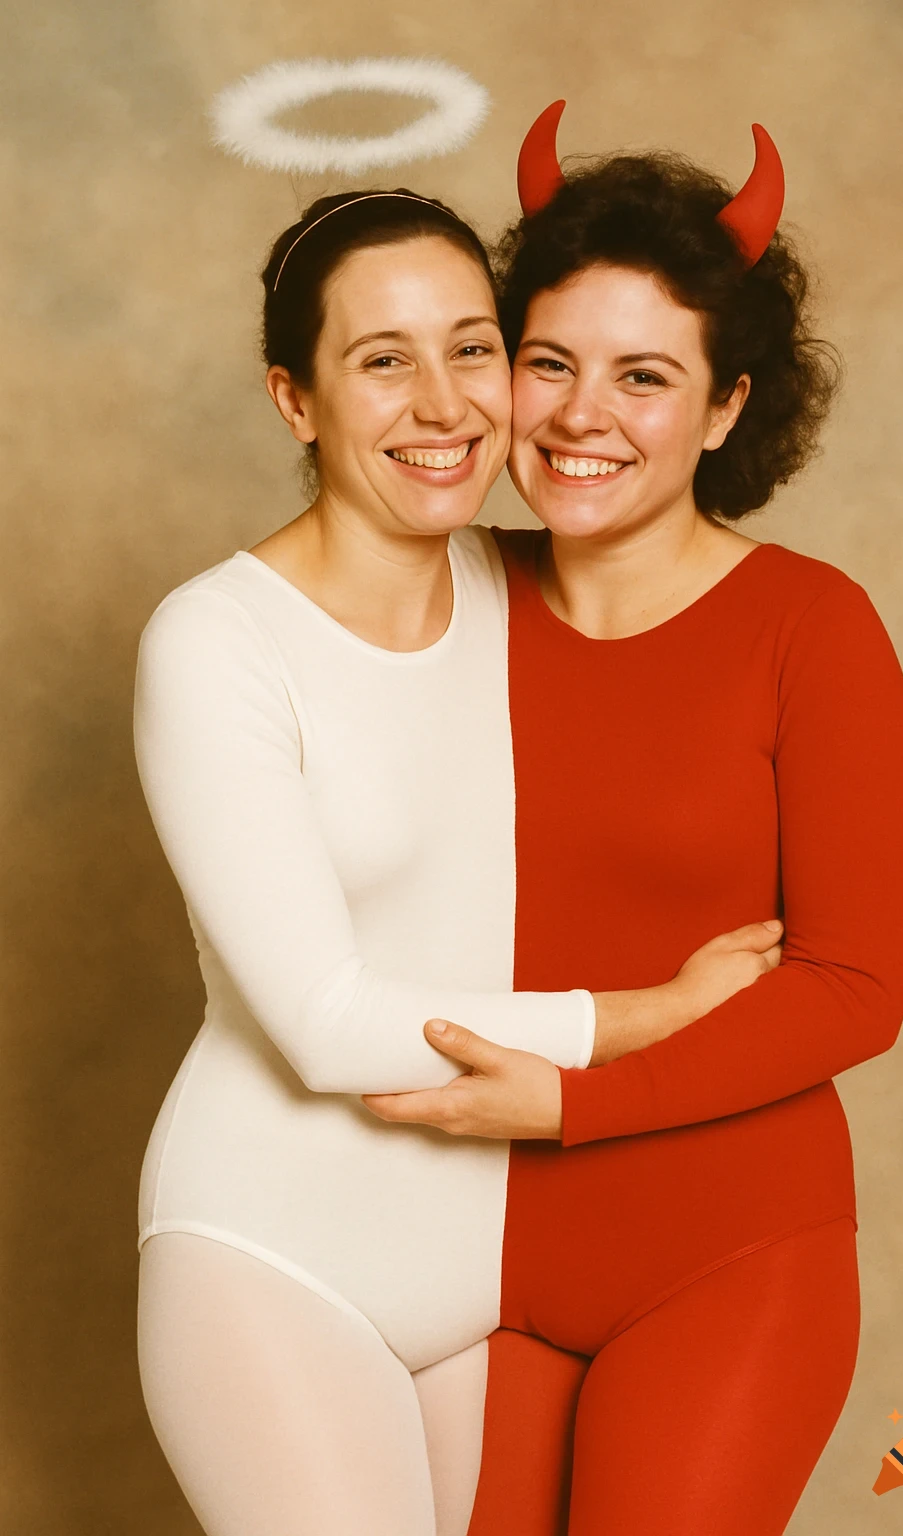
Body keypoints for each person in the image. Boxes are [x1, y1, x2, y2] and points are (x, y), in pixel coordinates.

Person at [133, 187, 783, 1536]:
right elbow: (322, 1022)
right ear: (294, 400)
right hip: (280, 1256)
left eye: (473, 347)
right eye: (383, 360)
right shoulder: (215, 642)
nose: (443, 404)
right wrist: (651, 1019)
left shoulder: (528, 586)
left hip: (495, 1281)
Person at [362, 111, 903, 1535]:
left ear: (727, 407)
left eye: (643, 376)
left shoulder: (812, 628)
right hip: (455, 1249)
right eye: (546, 362)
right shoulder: (433, 596)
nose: (578, 416)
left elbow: (855, 989)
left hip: (727, 1250)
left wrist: (570, 1103)